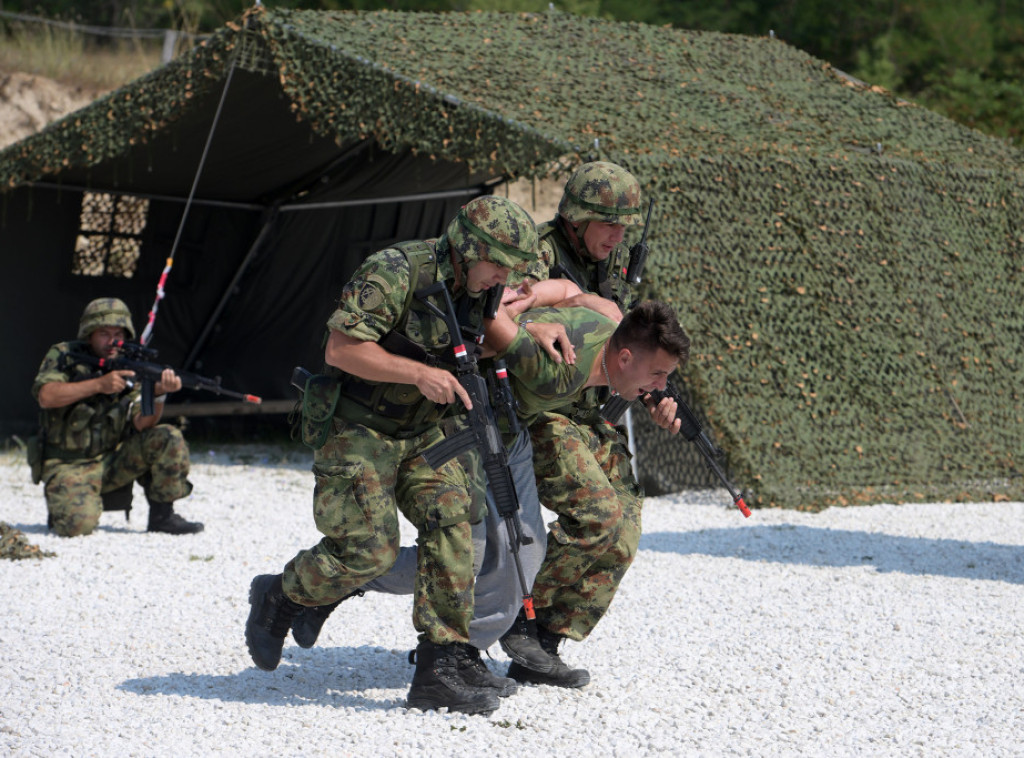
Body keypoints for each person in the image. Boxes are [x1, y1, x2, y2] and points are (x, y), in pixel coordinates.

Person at [244, 195, 544, 717]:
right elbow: (340, 349)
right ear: (468, 247)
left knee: (455, 517)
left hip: (426, 432)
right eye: (496, 264)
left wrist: (534, 331)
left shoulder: (479, 287)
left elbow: (477, 340)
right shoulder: (396, 270)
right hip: (361, 427)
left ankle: (442, 665)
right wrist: (418, 375)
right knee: (369, 553)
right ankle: (281, 596)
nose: (500, 278)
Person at [487, 296, 689, 689]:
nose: (664, 386)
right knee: (599, 515)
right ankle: (519, 616)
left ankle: (544, 642)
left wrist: (651, 395)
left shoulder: (610, 335)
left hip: (581, 415)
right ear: (627, 357)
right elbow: (493, 319)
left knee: (624, 531)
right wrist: (527, 324)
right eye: (659, 373)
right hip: (538, 417)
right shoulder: (560, 365)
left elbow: (572, 291)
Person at [31, 297, 202, 537]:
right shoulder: (64, 354)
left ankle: (163, 517)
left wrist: (159, 395)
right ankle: (64, 503)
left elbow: (142, 423)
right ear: (88, 333)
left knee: (167, 436)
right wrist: (99, 385)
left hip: (111, 461)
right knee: (75, 527)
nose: (112, 341)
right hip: (67, 464)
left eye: (118, 333)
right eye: (103, 333)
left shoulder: (130, 367)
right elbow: (46, 396)